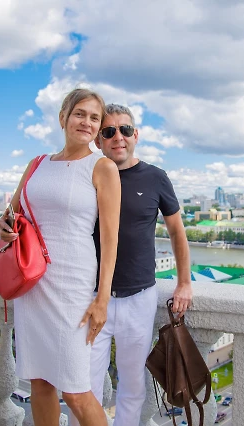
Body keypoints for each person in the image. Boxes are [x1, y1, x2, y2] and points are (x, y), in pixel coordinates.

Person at [0, 88, 121, 426]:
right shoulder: (36, 164)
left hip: (73, 286)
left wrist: (102, 300)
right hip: (32, 283)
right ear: (63, 117)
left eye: (94, 118)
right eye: (80, 113)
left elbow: (110, 239)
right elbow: (12, 214)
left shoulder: (102, 167)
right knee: (40, 382)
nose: (87, 122)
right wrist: (2, 226)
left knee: (77, 391)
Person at [73, 103, 192, 426]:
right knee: (83, 386)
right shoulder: (86, 175)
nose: (118, 137)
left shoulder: (156, 178)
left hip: (139, 299)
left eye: (125, 130)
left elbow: (177, 231)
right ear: (98, 140)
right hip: (91, 298)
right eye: (109, 131)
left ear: (135, 135)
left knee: (133, 384)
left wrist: (184, 282)